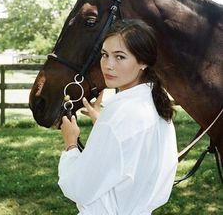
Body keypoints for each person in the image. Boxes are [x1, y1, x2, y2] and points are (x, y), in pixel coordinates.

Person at [58, 19, 178, 215]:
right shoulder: (155, 103)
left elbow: (79, 189)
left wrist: (71, 144)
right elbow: (132, 155)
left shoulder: (120, 117)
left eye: (120, 57)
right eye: (104, 55)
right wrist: (103, 125)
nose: (108, 65)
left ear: (143, 61)